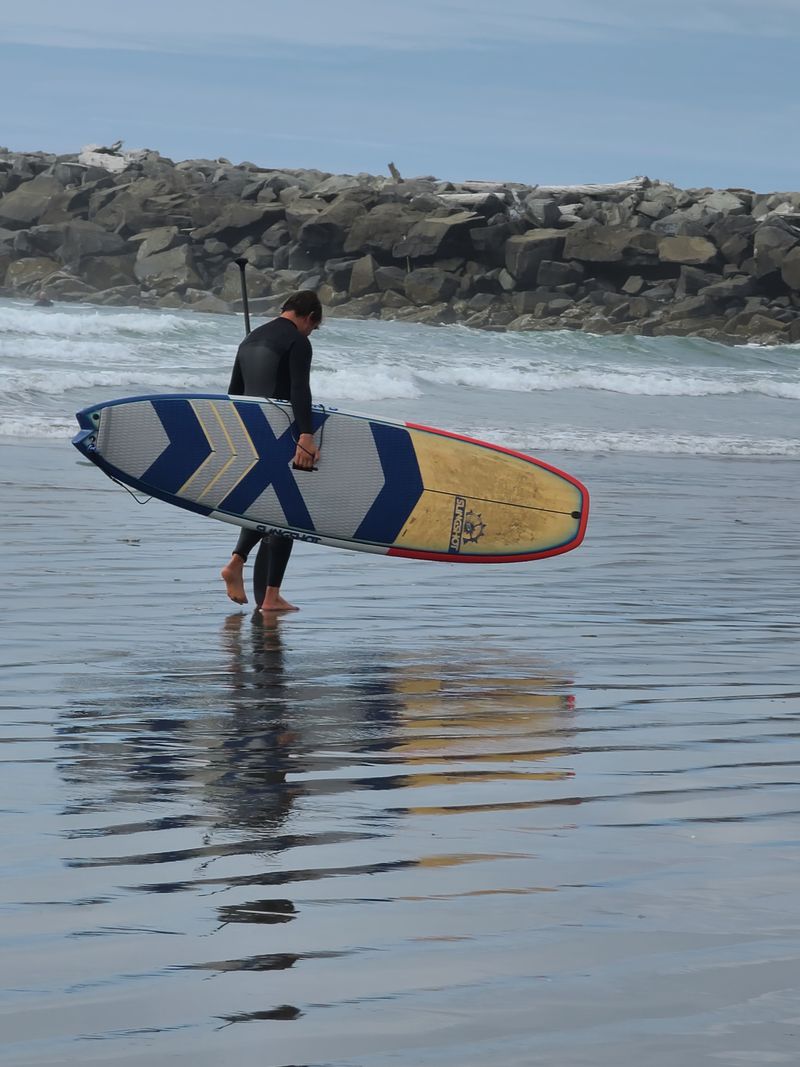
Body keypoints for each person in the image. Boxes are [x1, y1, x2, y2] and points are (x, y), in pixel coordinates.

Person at [220, 290, 322, 612]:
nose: (310, 332)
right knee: (286, 511)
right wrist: (306, 433)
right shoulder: (298, 341)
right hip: (280, 431)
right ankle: (265, 590)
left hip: (251, 430)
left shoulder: (250, 339)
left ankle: (258, 584)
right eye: (313, 327)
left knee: (267, 506)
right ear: (309, 317)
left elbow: (234, 393)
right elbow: (298, 389)